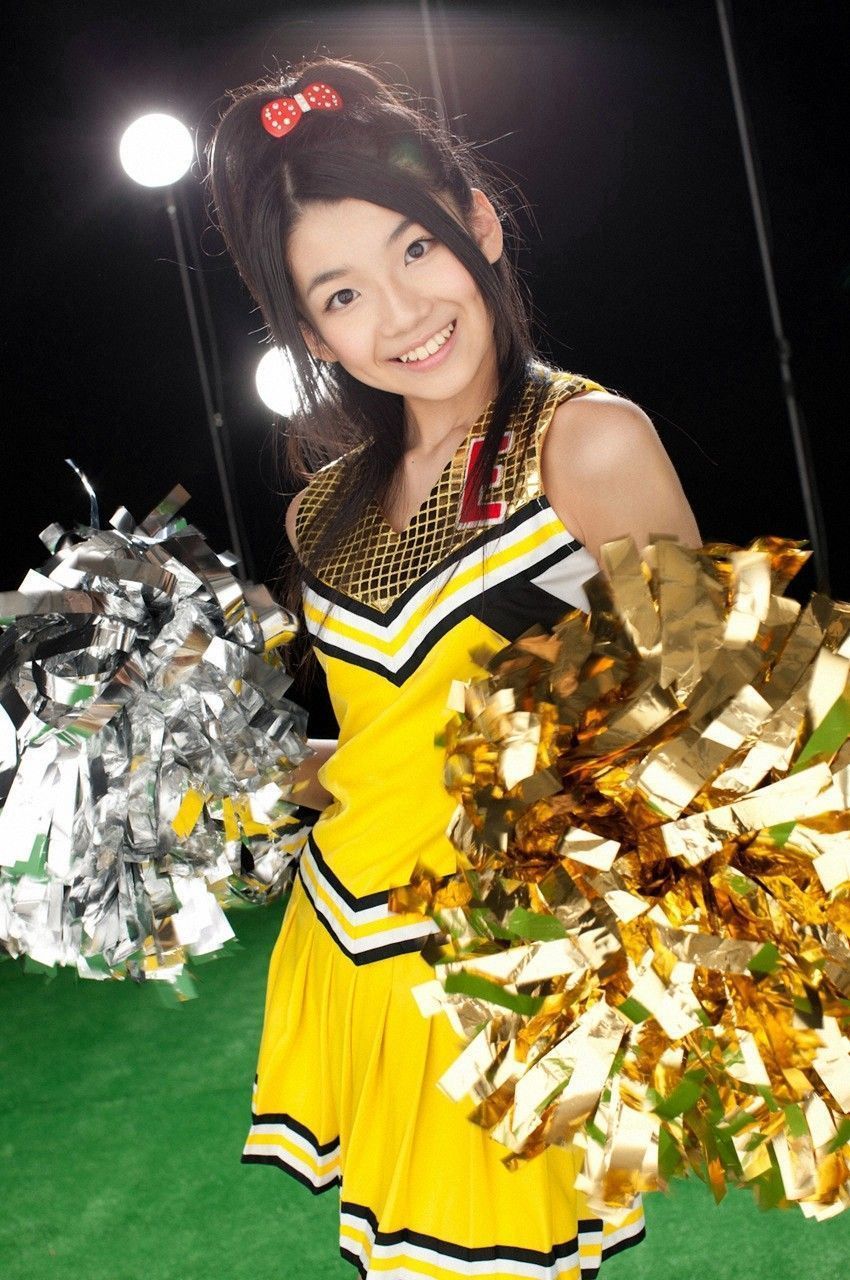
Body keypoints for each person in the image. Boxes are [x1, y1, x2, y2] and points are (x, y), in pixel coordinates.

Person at [209, 56, 700, 1279]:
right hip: (347, 949)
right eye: (342, 293)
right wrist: (227, 771)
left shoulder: (586, 443)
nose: (400, 312)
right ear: (309, 330)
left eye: (416, 249)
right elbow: (384, 749)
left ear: (478, 224)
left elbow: (712, 726)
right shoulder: (321, 510)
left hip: (498, 973)